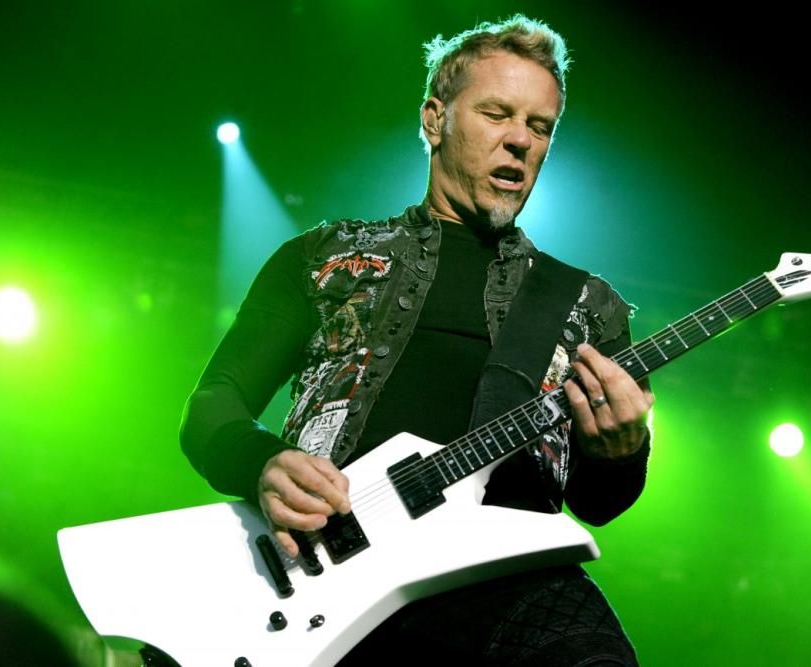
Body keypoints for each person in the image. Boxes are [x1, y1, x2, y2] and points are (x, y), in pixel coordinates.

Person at [181, 14, 654, 666]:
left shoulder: (586, 304)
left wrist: (621, 451)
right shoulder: (324, 257)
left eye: (539, 126)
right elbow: (213, 404)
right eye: (496, 114)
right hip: (328, 569)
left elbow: (599, 503)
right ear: (435, 119)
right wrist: (261, 462)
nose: (520, 140)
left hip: (505, 581)